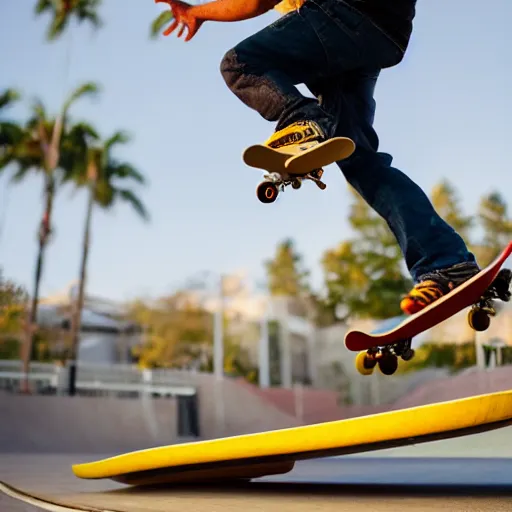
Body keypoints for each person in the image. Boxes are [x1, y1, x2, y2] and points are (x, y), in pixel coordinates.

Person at [157, 0, 480, 314]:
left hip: (344, 14)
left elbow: (257, 1)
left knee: (241, 64)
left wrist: (197, 12)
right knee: (362, 163)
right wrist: (196, 12)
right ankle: (448, 263)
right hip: (380, 35)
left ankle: (302, 121)